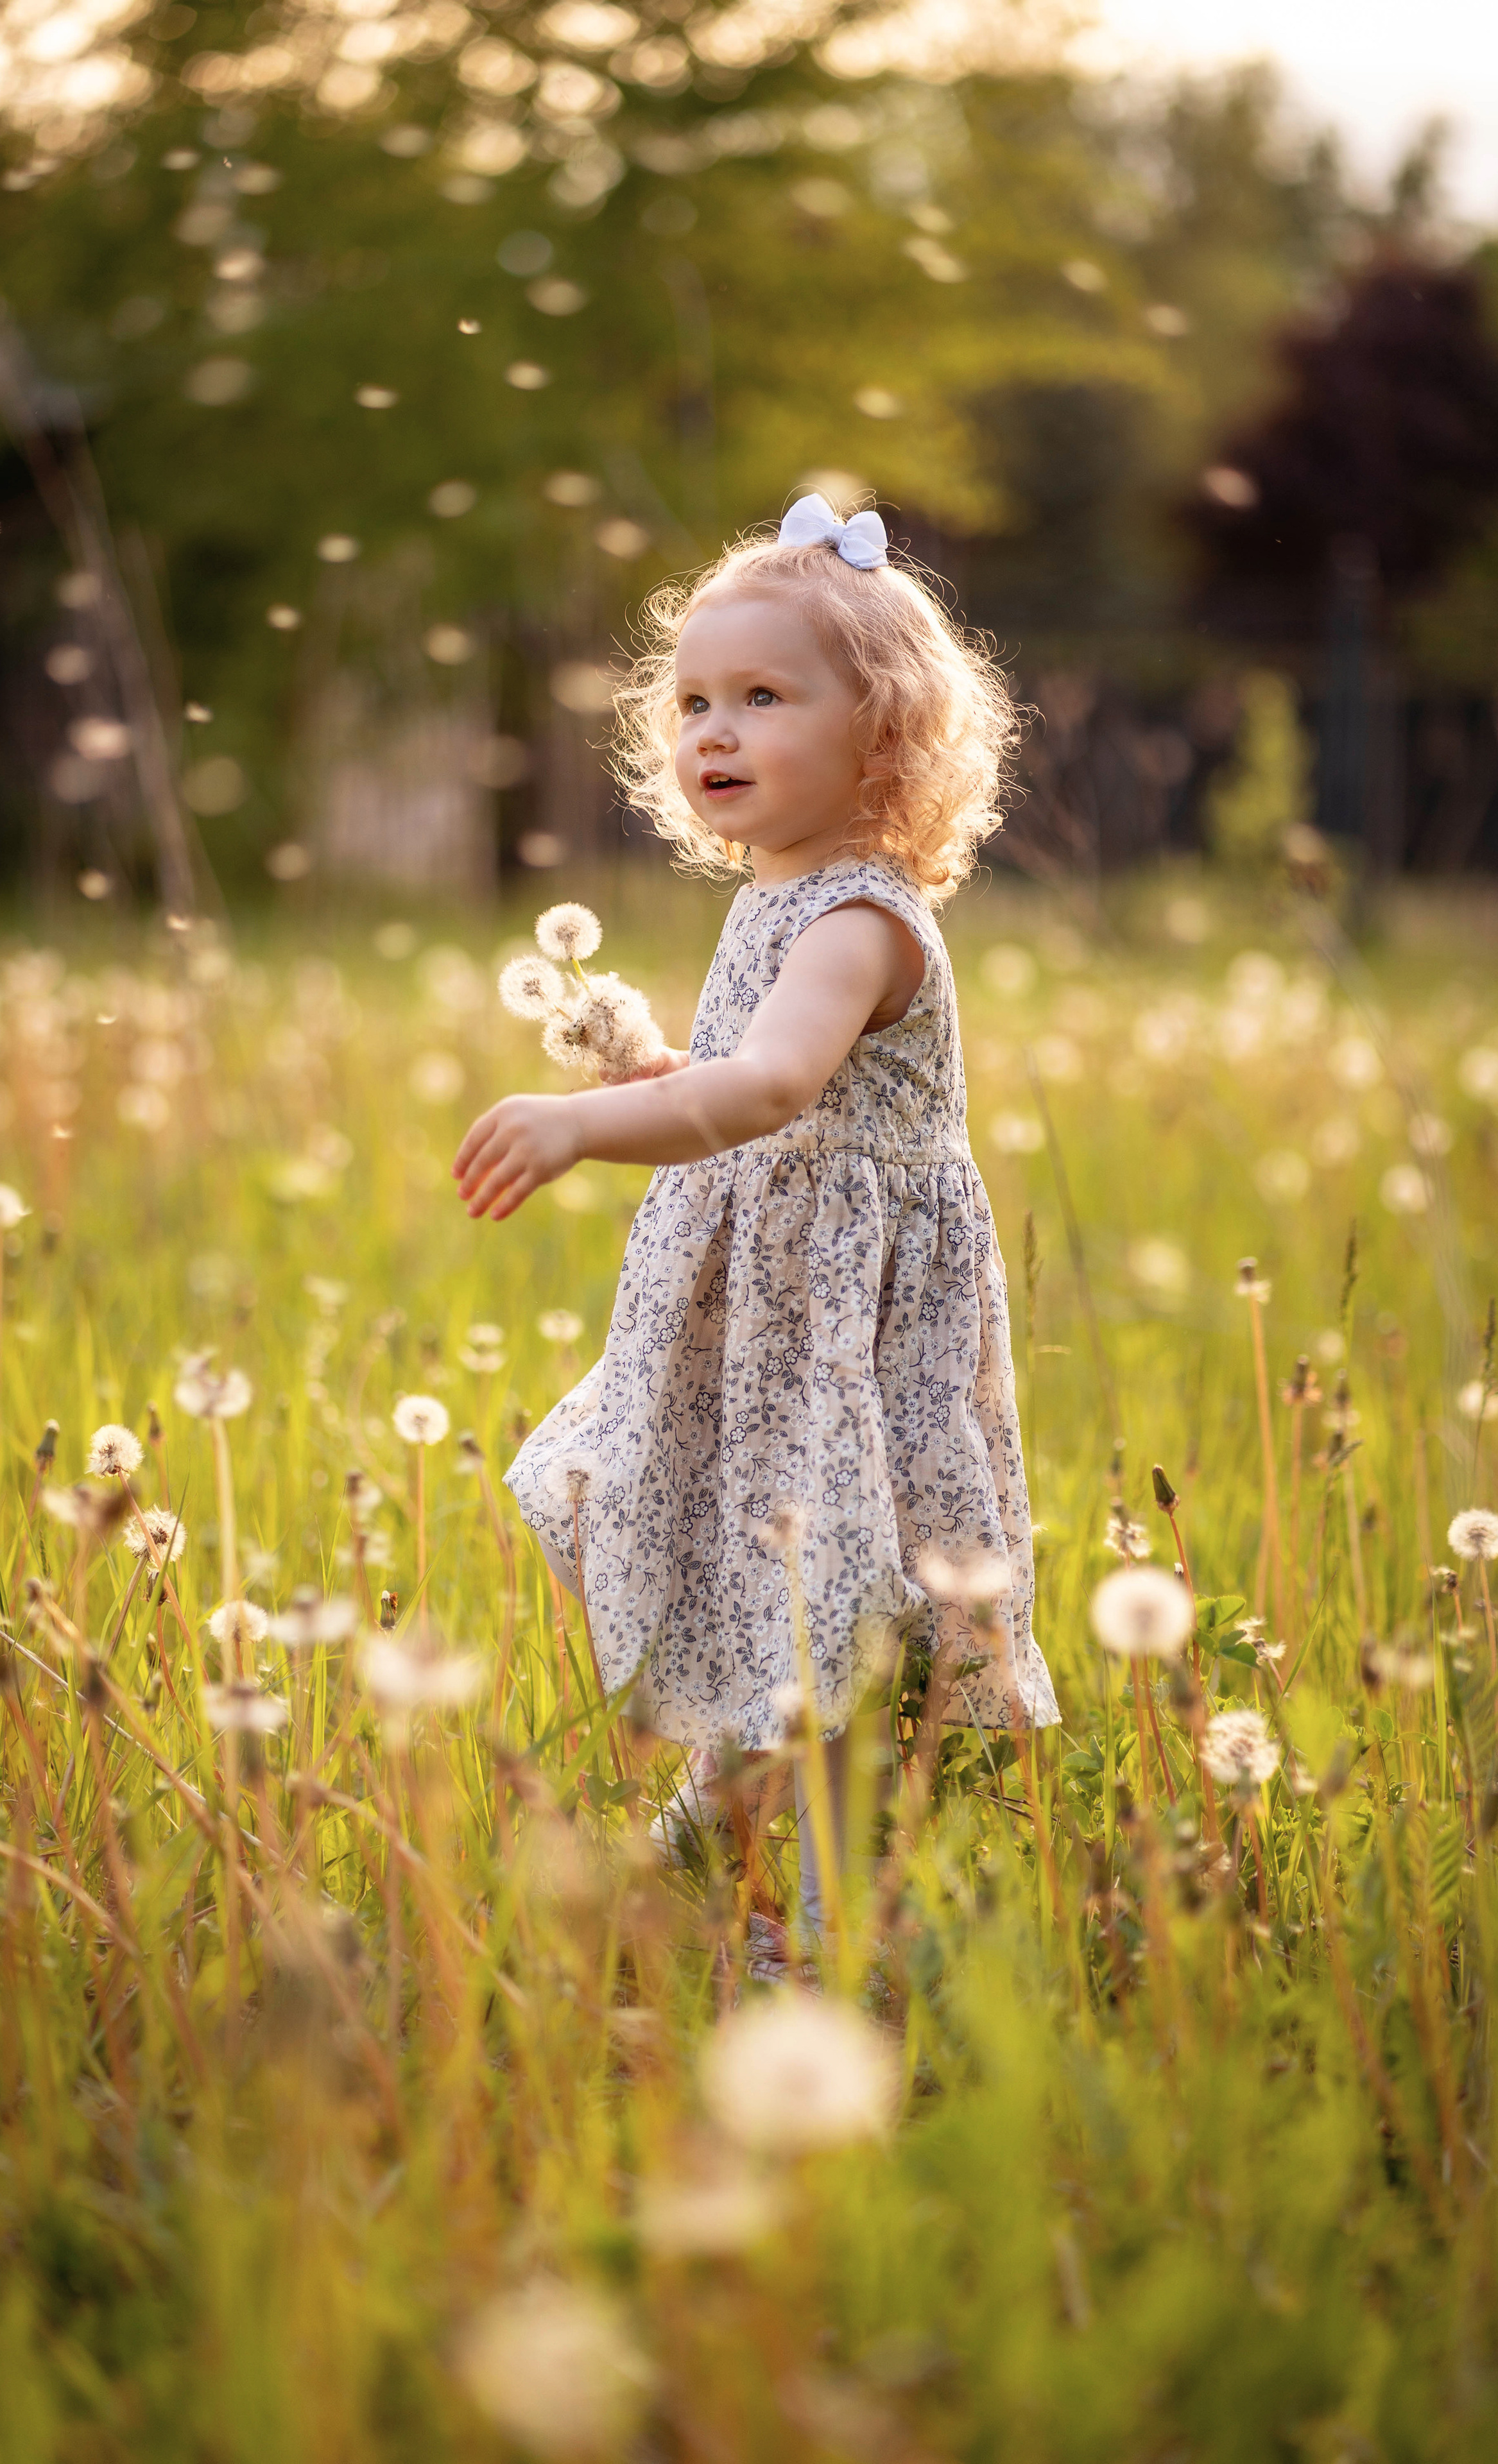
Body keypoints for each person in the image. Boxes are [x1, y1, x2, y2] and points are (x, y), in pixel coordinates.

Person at [452, 494, 1060, 1949]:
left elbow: (780, 1086)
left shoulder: (859, 919)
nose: (712, 732)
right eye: (693, 703)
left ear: (884, 735)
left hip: (843, 1340)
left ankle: (824, 1941)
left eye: (762, 698)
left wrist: (583, 1125)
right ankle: (711, 1858)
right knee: (768, 1583)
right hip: (761, 1325)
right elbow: (740, 1085)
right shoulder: (771, 905)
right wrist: (655, 1071)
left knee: (834, 1608)